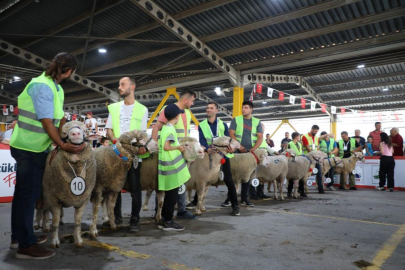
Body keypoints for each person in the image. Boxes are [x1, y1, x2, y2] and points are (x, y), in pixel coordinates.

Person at [9, 53, 82, 259]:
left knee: (24, 193)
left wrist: (65, 134)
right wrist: (62, 144)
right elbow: (46, 120)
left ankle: (19, 236)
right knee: (28, 195)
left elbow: (60, 117)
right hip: (28, 148)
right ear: (69, 72)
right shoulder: (41, 86)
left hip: (37, 148)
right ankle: (26, 245)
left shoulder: (55, 87)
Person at [104, 77, 149, 232]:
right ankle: (116, 217)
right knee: (114, 188)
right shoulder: (114, 108)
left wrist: (136, 147)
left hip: (133, 156)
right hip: (115, 154)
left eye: (122, 84)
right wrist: (115, 141)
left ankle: (134, 220)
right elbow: (109, 129)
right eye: (119, 84)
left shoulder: (142, 109)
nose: (119, 87)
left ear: (132, 87)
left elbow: (142, 134)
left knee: (135, 188)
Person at [187, 102, 240, 215]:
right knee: (202, 177)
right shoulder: (202, 125)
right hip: (208, 155)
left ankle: (235, 205)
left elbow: (228, 139)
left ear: (216, 110)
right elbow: (201, 140)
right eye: (207, 108)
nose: (208, 110)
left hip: (223, 156)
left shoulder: (222, 124)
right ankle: (196, 202)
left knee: (229, 180)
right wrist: (206, 148)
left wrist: (230, 149)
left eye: (211, 108)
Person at [152, 89, 197, 220]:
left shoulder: (187, 113)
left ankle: (181, 210)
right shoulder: (169, 110)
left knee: (180, 182)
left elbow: (186, 134)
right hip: (170, 153)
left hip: (181, 153)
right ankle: (159, 211)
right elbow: (156, 127)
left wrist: (189, 154)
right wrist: (154, 147)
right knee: (166, 183)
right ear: (186, 100)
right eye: (192, 101)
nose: (193, 104)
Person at [156, 104, 190, 231]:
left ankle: (164, 220)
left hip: (167, 167)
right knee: (172, 196)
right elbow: (166, 146)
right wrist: (178, 147)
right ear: (177, 117)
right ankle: (168, 221)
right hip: (171, 168)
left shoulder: (164, 128)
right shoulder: (170, 130)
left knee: (169, 195)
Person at [229, 101, 267, 206]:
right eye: (242, 107)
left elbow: (260, 137)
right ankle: (230, 198)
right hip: (236, 151)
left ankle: (245, 198)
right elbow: (231, 134)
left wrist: (253, 149)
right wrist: (239, 146)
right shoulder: (236, 120)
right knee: (233, 175)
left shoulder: (257, 121)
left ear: (251, 109)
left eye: (246, 108)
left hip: (250, 153)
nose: (243, 109)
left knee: (247, 175)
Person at [301, 125, 329, 194]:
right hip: (307, 158)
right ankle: (301, 189)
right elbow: (308, 148)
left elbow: (317, 148)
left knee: (319, 173)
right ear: (312, 129)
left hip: (316, 159)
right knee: (304, 174)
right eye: (315, 131)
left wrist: (319, 154)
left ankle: (320, 188)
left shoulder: (316, 138)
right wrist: (315, 155)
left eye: (317, 131)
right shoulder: (305, 137)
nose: (316, 132)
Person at [287, 132, 306, 197]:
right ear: (296, 137)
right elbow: (288, 152)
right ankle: (289, 192)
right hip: (293, 161)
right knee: (292, 177)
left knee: (301, 176)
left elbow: (300, 152)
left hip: (300, 161)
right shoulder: (290, 144)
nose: (299, 138)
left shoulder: (299, 144)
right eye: (299, 137)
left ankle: (301, 191)